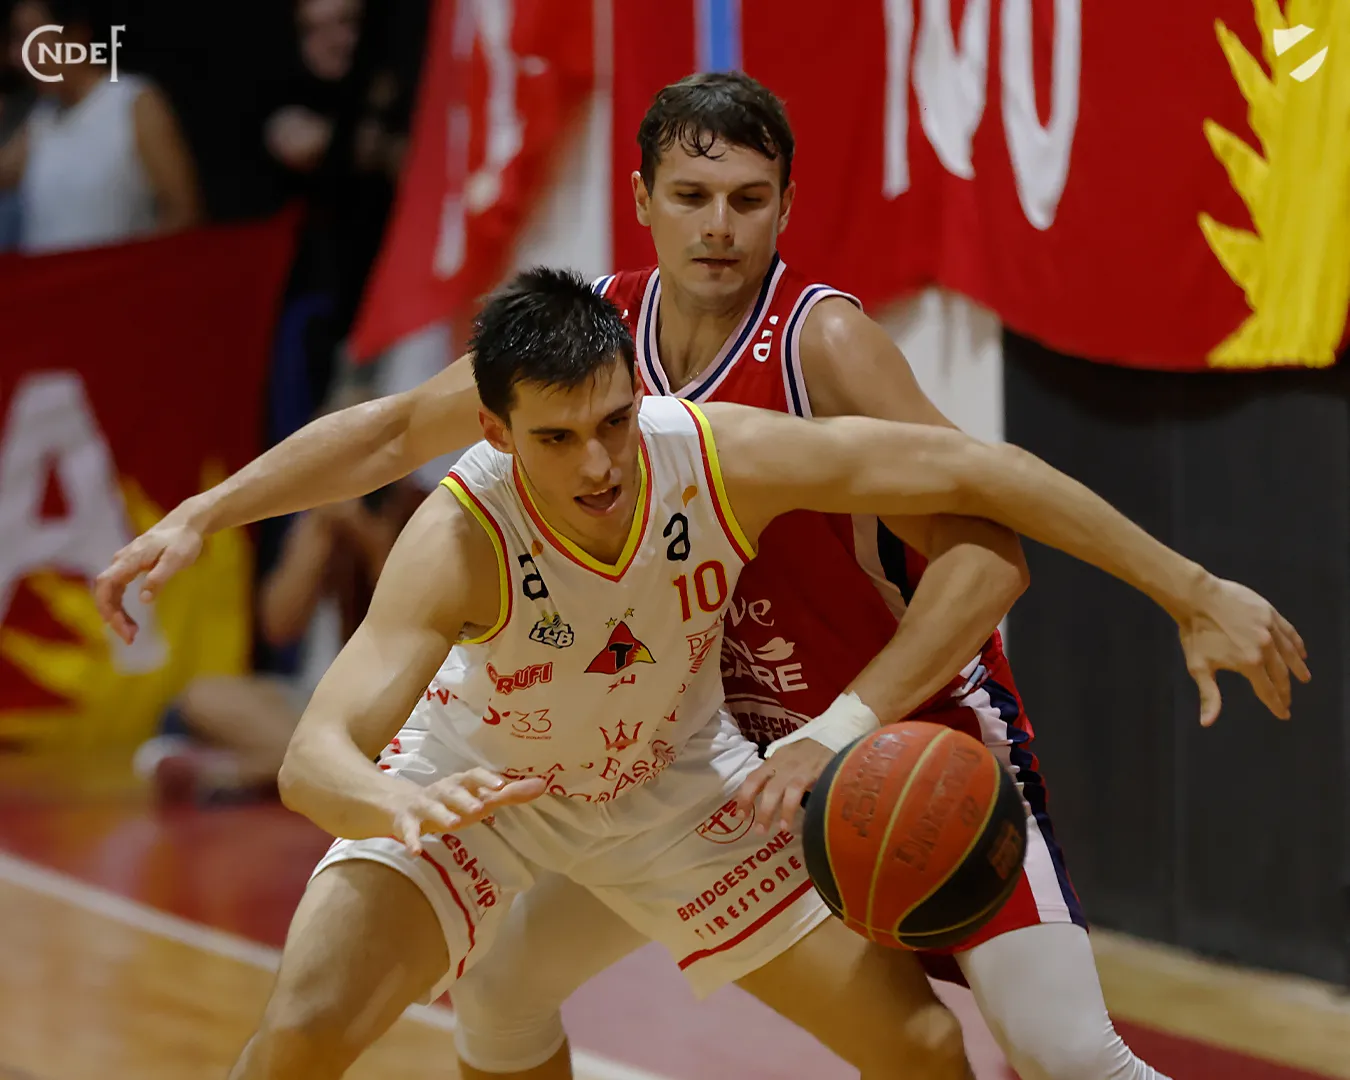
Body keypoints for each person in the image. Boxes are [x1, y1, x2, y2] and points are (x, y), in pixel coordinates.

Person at [95, 76, 1309, 1080]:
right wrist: (209, 514)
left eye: (747, 198)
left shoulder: (768, 391)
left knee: (1024, 1050)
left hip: (814, 749)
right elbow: (385, 440)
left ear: (785, 207)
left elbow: (989, 518)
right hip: (595, 759)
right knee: (449, 1005)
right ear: (641, 204)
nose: (719, 225)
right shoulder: (548, 391)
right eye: (691, 196)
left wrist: (1190, 588)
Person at [0, 0, 202, 253]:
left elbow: (183, 213)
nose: (18, 57)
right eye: (17, 42)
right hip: (52, 278)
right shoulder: (41, 120)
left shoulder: (133, 103)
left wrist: (129, 270)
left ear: (76, 36)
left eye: (32, 38)